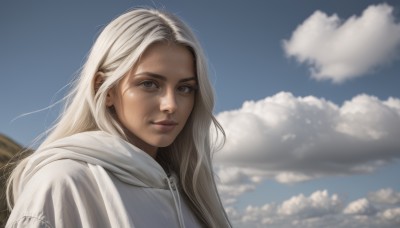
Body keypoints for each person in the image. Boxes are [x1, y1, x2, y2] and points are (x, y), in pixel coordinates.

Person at [6, 8, 231, 228]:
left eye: (185, 88)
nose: (171, 104)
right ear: (105, 88)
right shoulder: (61, 184)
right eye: (149, 84)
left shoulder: (193, 194)